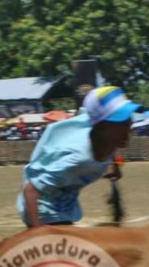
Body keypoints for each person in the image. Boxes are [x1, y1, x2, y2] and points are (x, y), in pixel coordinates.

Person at [16, 86, 142, 227]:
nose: (129, 125)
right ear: (101, 127)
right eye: (121, 121)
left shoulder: (106, 141)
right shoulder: (77, 156)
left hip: (65, 208)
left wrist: (113, 165)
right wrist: (38, 233)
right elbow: (31, 189)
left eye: (129, 119)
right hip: (43, 210)